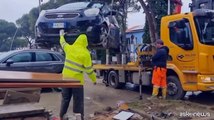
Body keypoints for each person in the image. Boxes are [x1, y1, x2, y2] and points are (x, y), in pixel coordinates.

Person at [59, 30, 97, 120]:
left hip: (65, 79)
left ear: (77, 40)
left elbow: (63, 43)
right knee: (78, 100)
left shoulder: (70, 48)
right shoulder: (86, 54)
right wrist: (94, 80)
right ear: (85, 42)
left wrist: (61, 35)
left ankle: (61, 116)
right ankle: (79, 118)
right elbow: (89, 70)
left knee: (65, 98)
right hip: (77, 82)